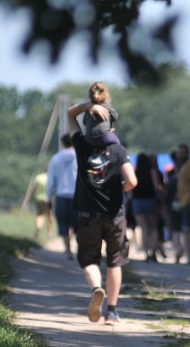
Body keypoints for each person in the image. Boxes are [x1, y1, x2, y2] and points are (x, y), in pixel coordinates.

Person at [68, 99, 137, 325]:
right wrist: (120, 188)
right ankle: (112, 312)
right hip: (114, 213)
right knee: (114, 262)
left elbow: (70, 114)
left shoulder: (80, 145)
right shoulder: (118, 150)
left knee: (89, 260)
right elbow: (132, 181)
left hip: (88, 214)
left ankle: (97, 288)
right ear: (112, 128)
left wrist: (88, 105)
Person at [47, 134, 79, 259]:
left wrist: (49, 198)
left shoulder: (55, 158)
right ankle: (79, 248)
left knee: (63, 224)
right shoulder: (79, 156)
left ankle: (68, 250)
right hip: (77, 196)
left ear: (62, 143)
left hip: (61, 195)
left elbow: (51, 182)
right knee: (79, 225)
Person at [131, 152, 162, 262]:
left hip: (137, 201)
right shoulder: (152, 171)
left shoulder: (135, 171)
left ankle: (145, 251)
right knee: (153, 228)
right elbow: (157, 187)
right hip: (150, 200)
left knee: (143, 228)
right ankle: (153, 251)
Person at [25, 168, 53, 239]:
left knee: (40, 215)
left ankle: (38, 227)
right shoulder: (51, 178)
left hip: (39, 199)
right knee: (49, 217)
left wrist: (27, 200)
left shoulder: (39, 177)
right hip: (48, 199)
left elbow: (33, 189)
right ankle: (50, 233)